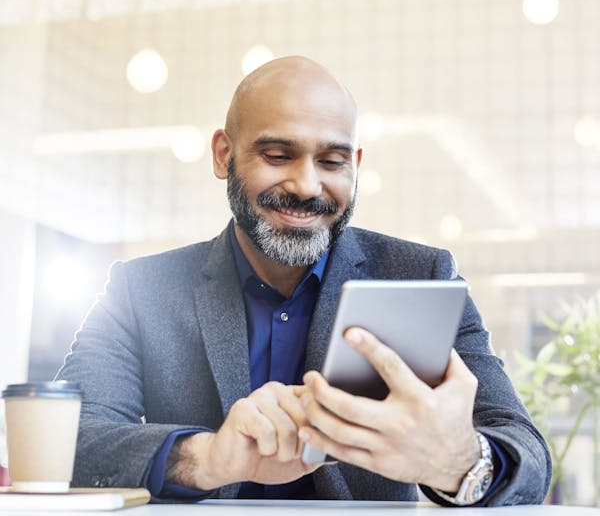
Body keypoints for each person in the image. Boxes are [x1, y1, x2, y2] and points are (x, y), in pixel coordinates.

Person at [58, 56, 551, 506]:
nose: (307, 185)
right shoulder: (139, 290)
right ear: (223, 155)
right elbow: (68, 441)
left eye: (332, 162)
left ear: (355, 166)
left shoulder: (423, 274)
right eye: (277, 154)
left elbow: (525, 452)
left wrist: (459, 462)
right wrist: (205, 458)